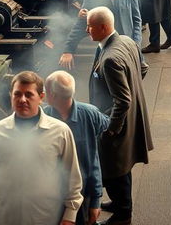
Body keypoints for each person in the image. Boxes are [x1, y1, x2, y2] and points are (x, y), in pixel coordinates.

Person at [0, 71, 83, 225]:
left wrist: (69, 217)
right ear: (11, 95)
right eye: (17, 94)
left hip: (46, 218)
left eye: (29, 94)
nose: (22, 100)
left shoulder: (60, 132)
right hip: (3, 219)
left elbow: (73, 179)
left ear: (41, 97)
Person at [87, 8, 153, 225]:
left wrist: (111, 128)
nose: (87, 30)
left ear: (103, 27)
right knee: (123, 164)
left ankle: (123, 213)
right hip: (131, 117)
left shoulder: (110, 59)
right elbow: (143, 68)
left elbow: (123, 101)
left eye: (90, 26)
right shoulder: (126, 41)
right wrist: (132, 88)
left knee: (115, 166)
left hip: (116, 122)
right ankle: (119, 203)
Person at [45, 71, 110, 225]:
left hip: (81, 194)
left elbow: (92, 161)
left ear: (53, 95)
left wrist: (95, 202)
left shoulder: (88, 114)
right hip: (52, 195)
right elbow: (107, 124)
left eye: (45, 90)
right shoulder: (91, 112)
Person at [59, 0, 142, 70]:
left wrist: (136, 46)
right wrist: (68, 50)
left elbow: (137, 22)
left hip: (126, 45)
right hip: (105, 47)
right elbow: (80, 25)